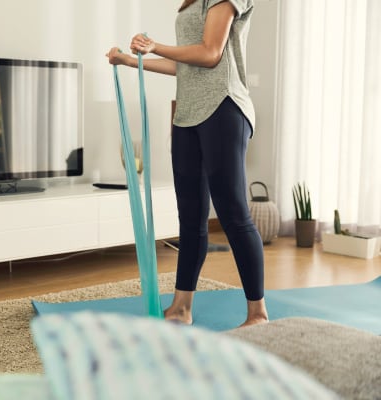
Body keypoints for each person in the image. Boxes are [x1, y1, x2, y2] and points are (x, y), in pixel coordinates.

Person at [106, 0, 269, 327]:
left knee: (233, 213)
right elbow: (185, 66)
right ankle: (181, 307)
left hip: (224, 107)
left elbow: (210, 54)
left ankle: (258, 313)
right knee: (191, 217)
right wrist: (130, 60)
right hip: (187, 115)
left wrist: (155, 46)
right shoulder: (190, 3)